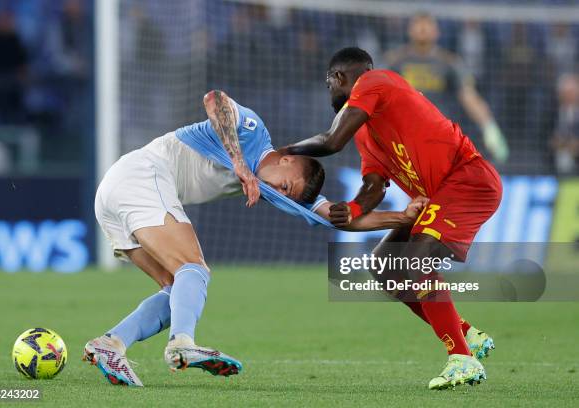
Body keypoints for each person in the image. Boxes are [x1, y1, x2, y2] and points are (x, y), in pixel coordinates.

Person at [84, 90, 426, 387]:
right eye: (286, 185)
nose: (280, 192)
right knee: (195, 269)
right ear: (288, 159)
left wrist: (402, 217)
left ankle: (111, 344)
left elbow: (339, 219)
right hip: (142, 174)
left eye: (288, 195)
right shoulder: (254, 133)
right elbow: (214, 99)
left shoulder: (270, 189)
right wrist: (240, 165)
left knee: (179, 287)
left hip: (114, 197)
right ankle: (183, 343)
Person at [281, 47, 502, 390]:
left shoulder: (375, 80)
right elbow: (373, 185)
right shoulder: (365, 132)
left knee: (417, 256)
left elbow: (330, 141)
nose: (330, 93)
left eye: (329, 85)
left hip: (468, 179)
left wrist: (282, 153)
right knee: (384, 265)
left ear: (339, 78)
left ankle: (462, 359)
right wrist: (354, 209)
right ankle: (466, 334)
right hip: (439, 194)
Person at [385, 13, 508, 163]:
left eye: (427, 25)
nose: (423, 29)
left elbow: (469, 97)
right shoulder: (395, 62)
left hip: (439, 136)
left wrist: (489, 127)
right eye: (418, 24)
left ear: (437, 32)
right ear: (409, 30)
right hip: (403, 137)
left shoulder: (449, 62)